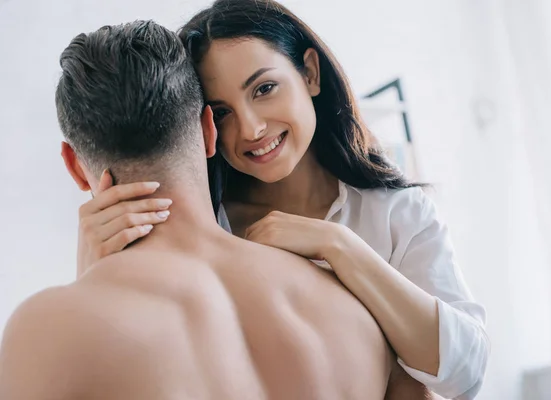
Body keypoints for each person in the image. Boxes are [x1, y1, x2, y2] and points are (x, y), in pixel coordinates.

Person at [75, 0, 490, 399]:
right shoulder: (203, 225)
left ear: (310, 73)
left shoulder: (395, 212)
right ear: (202, 125)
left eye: (264, 88)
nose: (251, 128)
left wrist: (340, 246)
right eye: (221, 112)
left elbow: (464, 375)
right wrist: (90, 277)